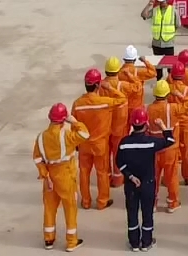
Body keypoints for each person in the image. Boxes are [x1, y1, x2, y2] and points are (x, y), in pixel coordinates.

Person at [116, 108, 177, 252]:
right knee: (147, 213)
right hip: (148, 184)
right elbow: (170, 140)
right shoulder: (151, 142)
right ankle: (146, 242)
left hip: (131, 185)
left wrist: (130, 176)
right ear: (146, 124)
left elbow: (119, 163)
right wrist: (162, 126)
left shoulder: (124, 143)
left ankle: (134, 243)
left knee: (132, 213)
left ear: (132, 124)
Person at [33, 103, 90, 252]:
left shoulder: (41, 137)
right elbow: (85, 134)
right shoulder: (66, 136)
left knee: (49, 209)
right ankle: (71, 241)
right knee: (70, 208)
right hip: (65, 175)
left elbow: (37, 159)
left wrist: (45, 174)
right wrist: (74, 121)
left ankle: (48, 239)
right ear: (63, 119)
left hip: (49, 177)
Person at [72, 68, 126, 210]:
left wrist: (76, 143)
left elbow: (74, 125)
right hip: (100, 144)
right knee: (102, 172)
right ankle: (102, 201)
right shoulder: (104, 102)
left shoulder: (77, 104)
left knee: (84, 172)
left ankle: (85, 201)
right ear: (98, 85)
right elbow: (122, 99)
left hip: (84, 144)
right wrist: (109, 88)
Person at [102, 56, 141, 188]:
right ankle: (118, 179)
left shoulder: (101, 86)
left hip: (104, 126)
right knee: (118, 153)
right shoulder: (122, 86)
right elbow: (137, 87)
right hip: (119, 126)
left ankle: (106, 178)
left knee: (105, 153)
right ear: (118, 70)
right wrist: (130, 75)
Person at [146, 80, 182, 212]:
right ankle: (172, 203)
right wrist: (178, 95)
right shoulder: (173, 108)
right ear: (167, 94)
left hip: (154, 149)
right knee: (171, 177)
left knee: (153, 178)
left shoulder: (149, 109)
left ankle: (153, 203)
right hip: (170, 149)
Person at [141, 0, 178, 79]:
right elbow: (143, 15)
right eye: (161, 1)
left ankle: (171, 83)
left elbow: (177, 24)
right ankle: (159, 83)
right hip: (157, 43)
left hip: (169, 43)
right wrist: (149, 5)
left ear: (167, 0)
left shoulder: (173, 11)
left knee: (170, 66)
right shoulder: (155, 10)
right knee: (158, 66)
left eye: (164, 1)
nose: (163, 3)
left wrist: (170, 33)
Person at [119, 46, 158, 114]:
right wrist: (145, 61)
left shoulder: (119, 72)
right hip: (136, 106)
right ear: (134, 59)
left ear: (124, 59)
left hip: (123, 107)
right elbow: (153, 72)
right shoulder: (138, 72)